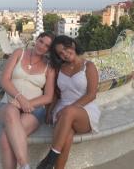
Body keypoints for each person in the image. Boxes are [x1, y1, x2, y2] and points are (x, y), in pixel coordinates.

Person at [37, 35, 100, 169]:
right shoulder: (59, 68)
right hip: (62, 110)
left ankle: (50, 159)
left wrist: (67, 110)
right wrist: (48, 111)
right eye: (60, 53)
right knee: (67, 136)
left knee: (69, 112)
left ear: (73, 44)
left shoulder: (88, 66)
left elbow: (91, 95)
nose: (65, 54)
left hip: (85, 110)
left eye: (66, 49)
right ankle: (52, 166)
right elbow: (55, 93)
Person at [0, 32, 56, 169]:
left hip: (34, 110)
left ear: (49, 50)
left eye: (47, 46)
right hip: (8, 104)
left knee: (6, 139)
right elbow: (4, 80)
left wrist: (26, 104)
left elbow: (48, 97)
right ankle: (25, 165)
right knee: (12, 110)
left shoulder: (50, 67)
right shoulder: (19, 53)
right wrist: (20, 99)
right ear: (37, 39)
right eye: (41, 41)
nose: (42, 46)